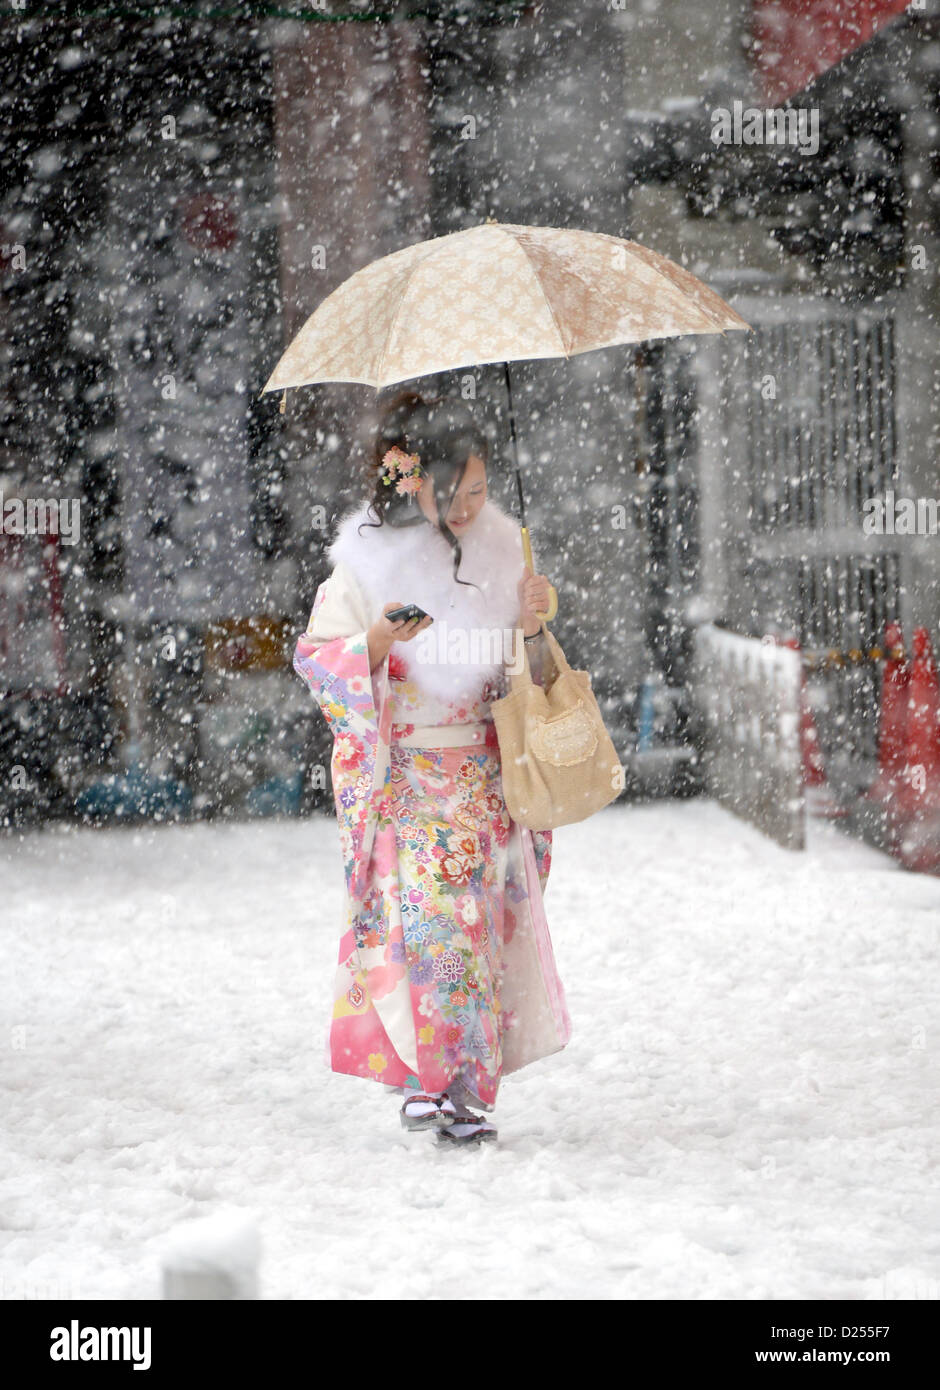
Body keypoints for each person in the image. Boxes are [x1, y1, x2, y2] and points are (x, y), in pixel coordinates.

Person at [293, 389, 572, 1144]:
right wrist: (379, 641)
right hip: (409, 776)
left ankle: (456, 1081)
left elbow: (535, 674)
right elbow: (319, 661)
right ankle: (443, 1082)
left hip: (484, 776)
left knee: (474, 933)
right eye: (456, 492)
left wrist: (532, 624)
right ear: (414, 483)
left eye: (481, 490)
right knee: (433, 932)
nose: (469, 506)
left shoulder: (503, 554)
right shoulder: (366, 561)